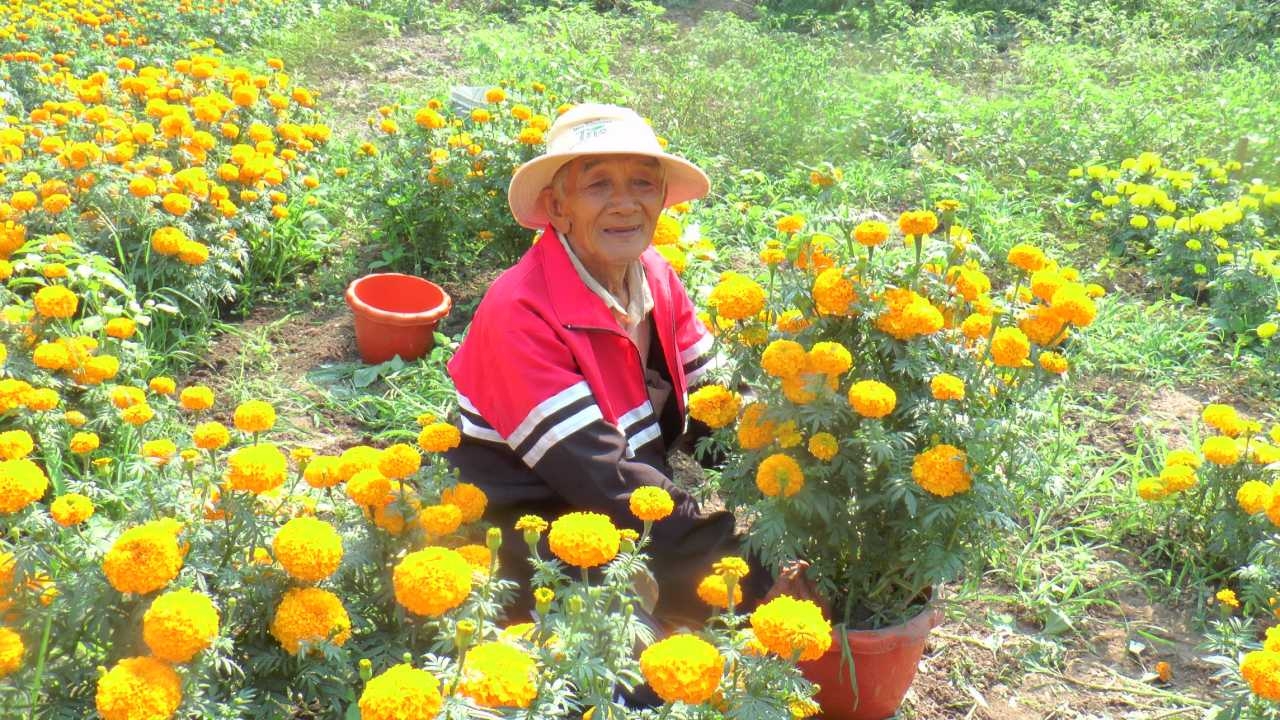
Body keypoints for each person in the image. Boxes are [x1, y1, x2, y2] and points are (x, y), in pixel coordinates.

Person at [445, 103, 776, 624]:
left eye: (642, 183)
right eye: (598, 185)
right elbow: (606, 481)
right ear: (558, 207)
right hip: (536, 532)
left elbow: (717, 399)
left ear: (661, 199)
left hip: (622, 507)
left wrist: (788, 472)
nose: (625, 204)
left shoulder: (655, 275)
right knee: (638, 644)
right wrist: (751, 571)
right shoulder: (519, 313)